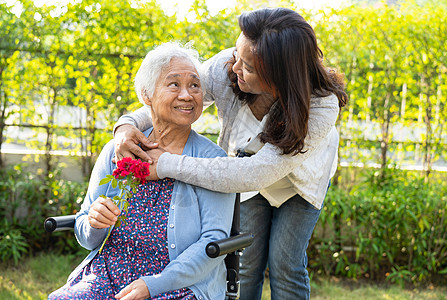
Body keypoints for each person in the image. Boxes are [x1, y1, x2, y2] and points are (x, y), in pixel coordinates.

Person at [114, 8, 348, 300]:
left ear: (278, 78)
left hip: (298, 182)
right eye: (237, 54)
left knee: (285, 264)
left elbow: (255, 174)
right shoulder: (228, 65)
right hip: (240, 175)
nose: (235, 66)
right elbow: (175, 92)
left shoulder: (321, 105)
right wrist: (127, 124)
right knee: (244, 261)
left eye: (247, 67)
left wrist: (167, 165)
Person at [48, 42, 235, 300]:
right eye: (174, 84)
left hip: (177, 282)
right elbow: (85, 231)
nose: (187, 95)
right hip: (108, 273)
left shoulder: (211, 160)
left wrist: (154, 284)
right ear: (146, 95)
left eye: (195, 85)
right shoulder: (120, 149)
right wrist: (94, 223)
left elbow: (212, 241)